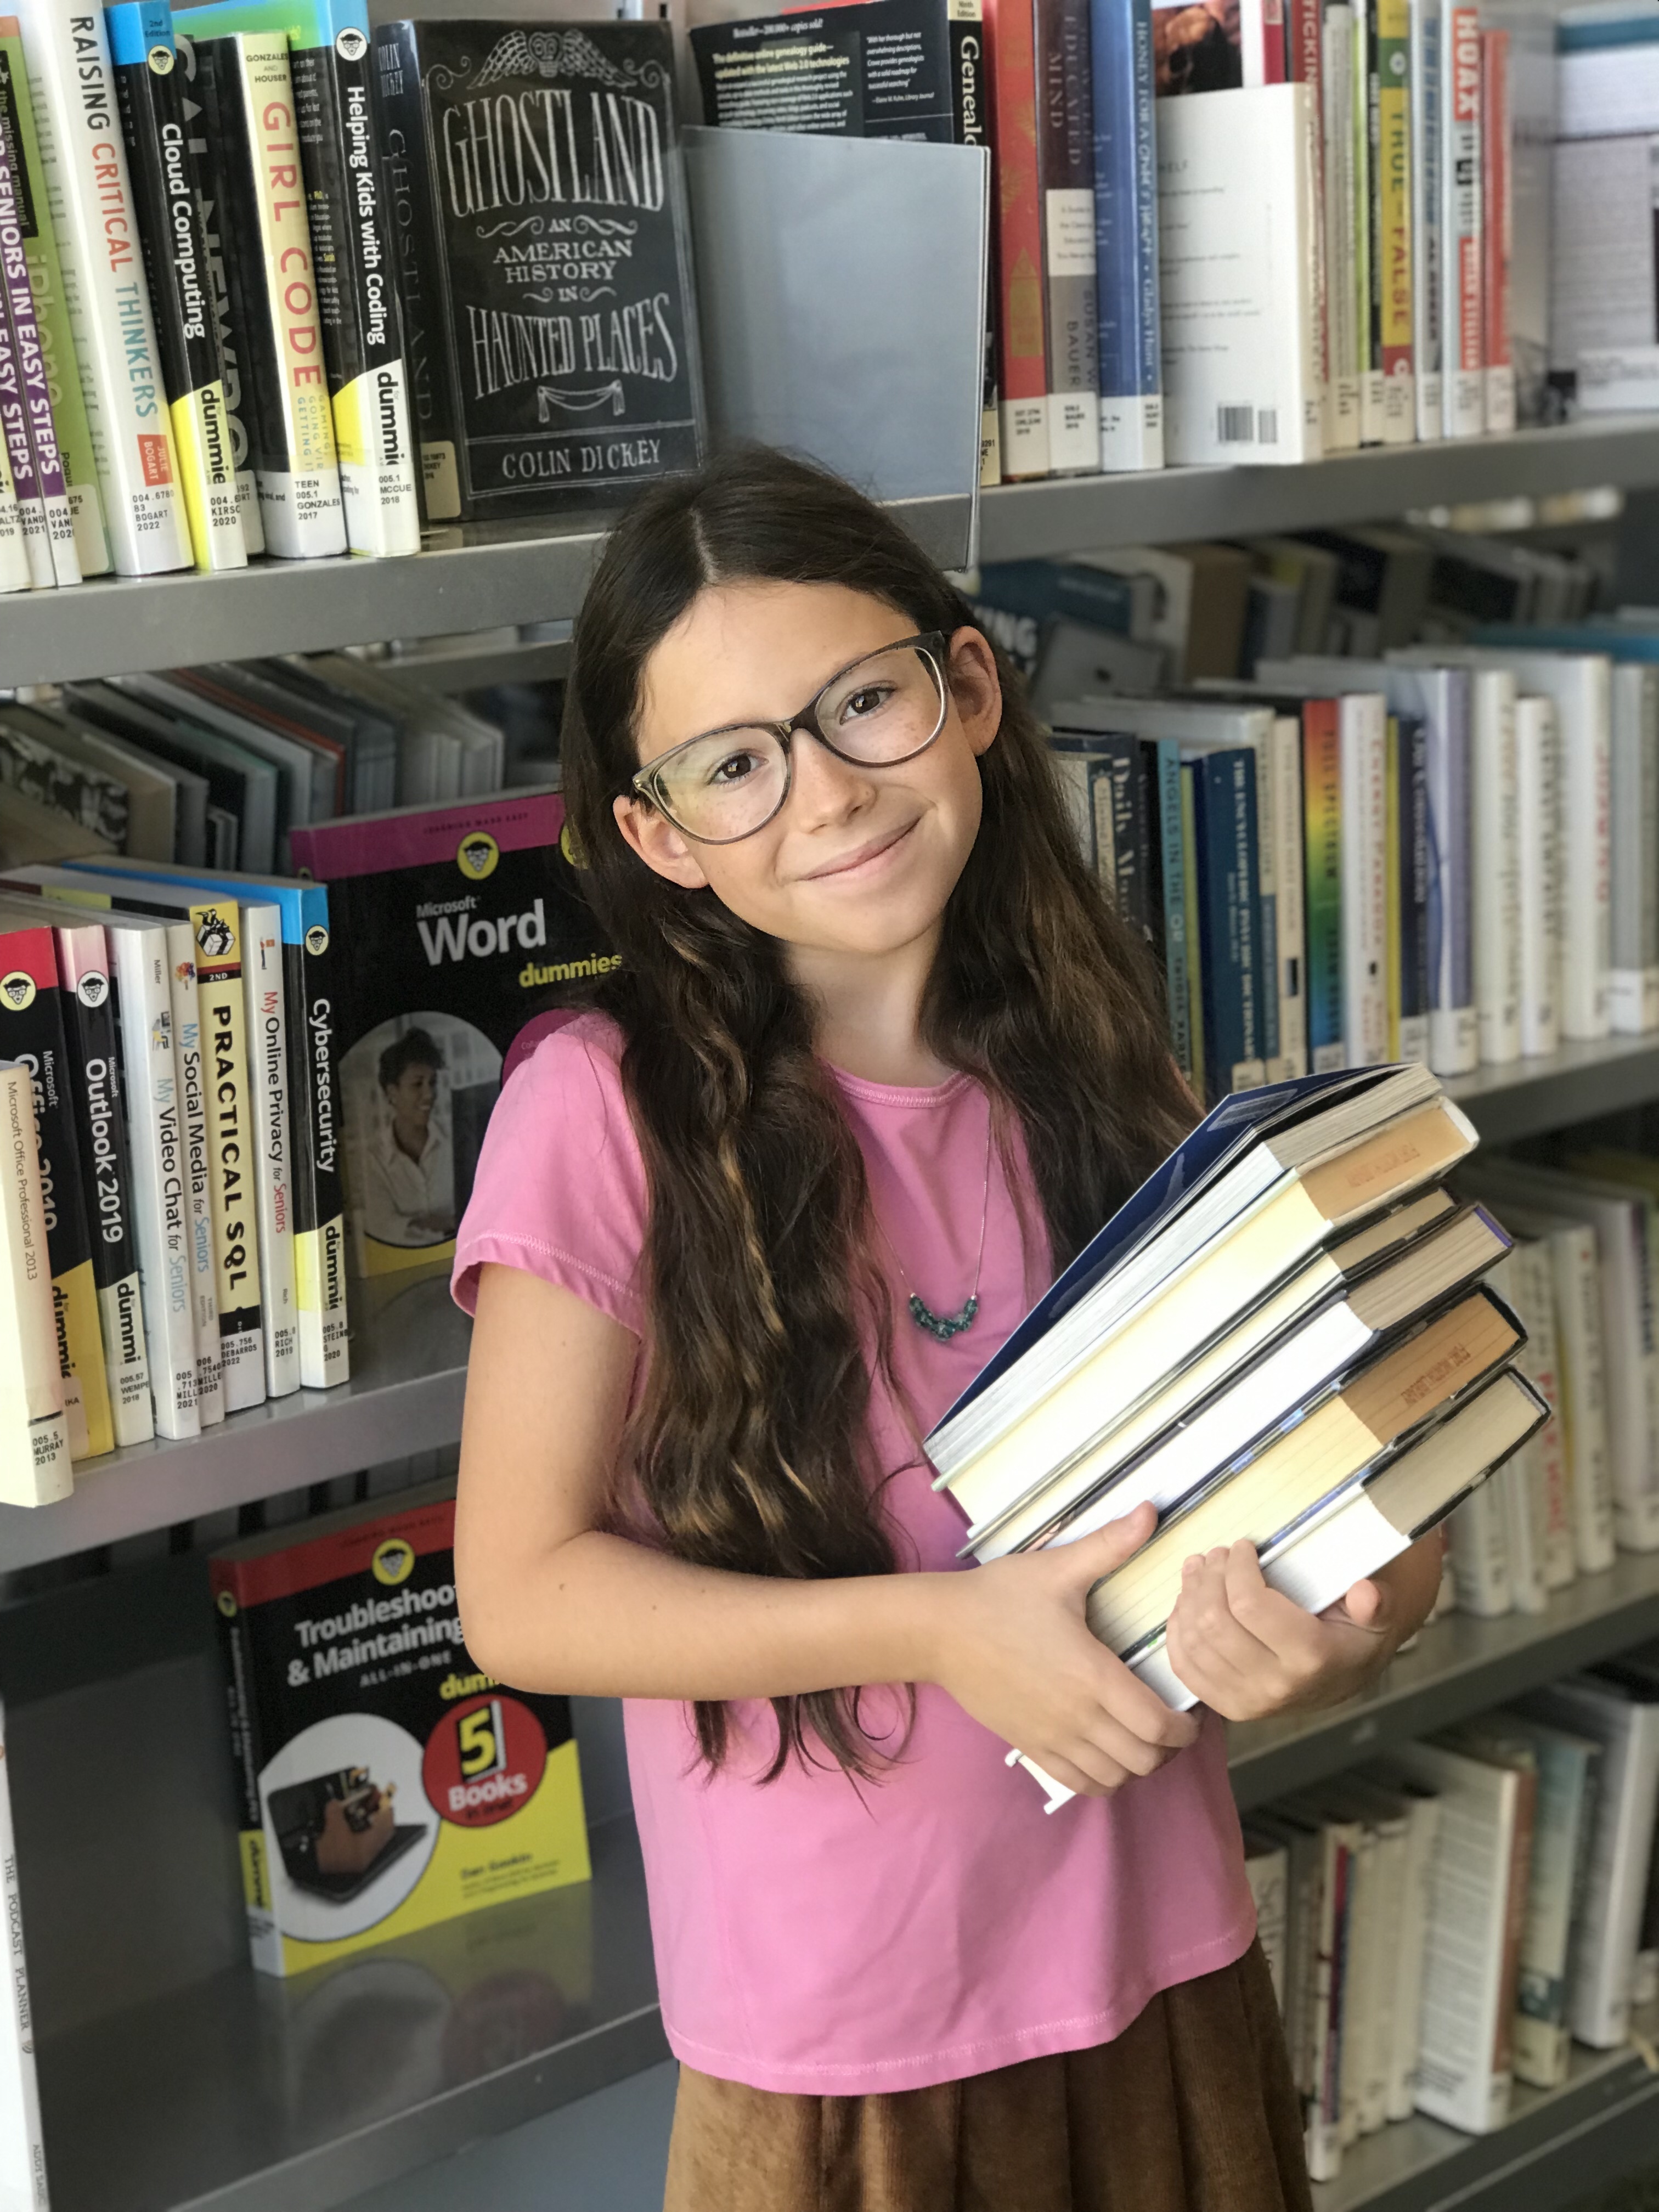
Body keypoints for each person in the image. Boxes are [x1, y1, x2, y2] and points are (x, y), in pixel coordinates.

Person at [451, 448, 1444, 2211]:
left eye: (864, 703)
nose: (829, 792)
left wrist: (1341, 1635)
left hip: (1163, 1969)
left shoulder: (1104, 1064)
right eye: (735, 765)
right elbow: (520, 1595)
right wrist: (941, 1631)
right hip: (842, 2046)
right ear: (659, 836)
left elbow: (1344, 1499)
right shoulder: (600, 1111)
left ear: (967, 689)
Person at [361, 1026, 456, 1249]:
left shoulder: (455, 1140)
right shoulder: (373, 1158)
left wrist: (411, 1225)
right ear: (392, 1092)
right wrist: (446, 1223)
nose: (429, 1094)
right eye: (417, 1084)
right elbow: (383, 1227)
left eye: (432, 1083)